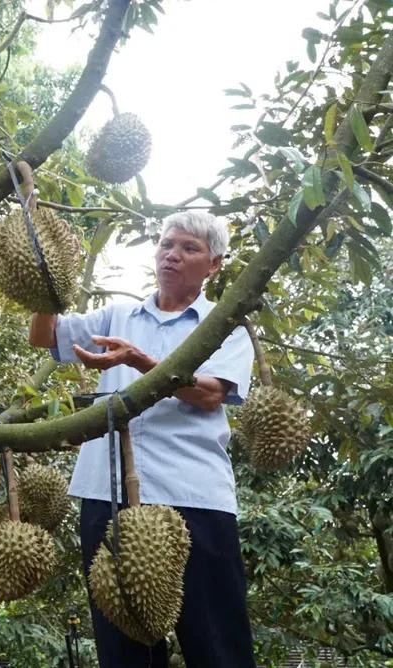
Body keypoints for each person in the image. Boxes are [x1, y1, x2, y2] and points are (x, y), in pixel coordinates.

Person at [29, 211, 257, 668]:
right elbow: (43, 336)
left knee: (216, 643)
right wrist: (49, 273)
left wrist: (138, 361)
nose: (172, 255)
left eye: (189, 248)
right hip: (106, 494)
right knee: (123, 649)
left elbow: (210, 395)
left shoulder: (226, 327)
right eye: (166, 244)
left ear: (213, 264)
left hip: (194, 496)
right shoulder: (117, 315)